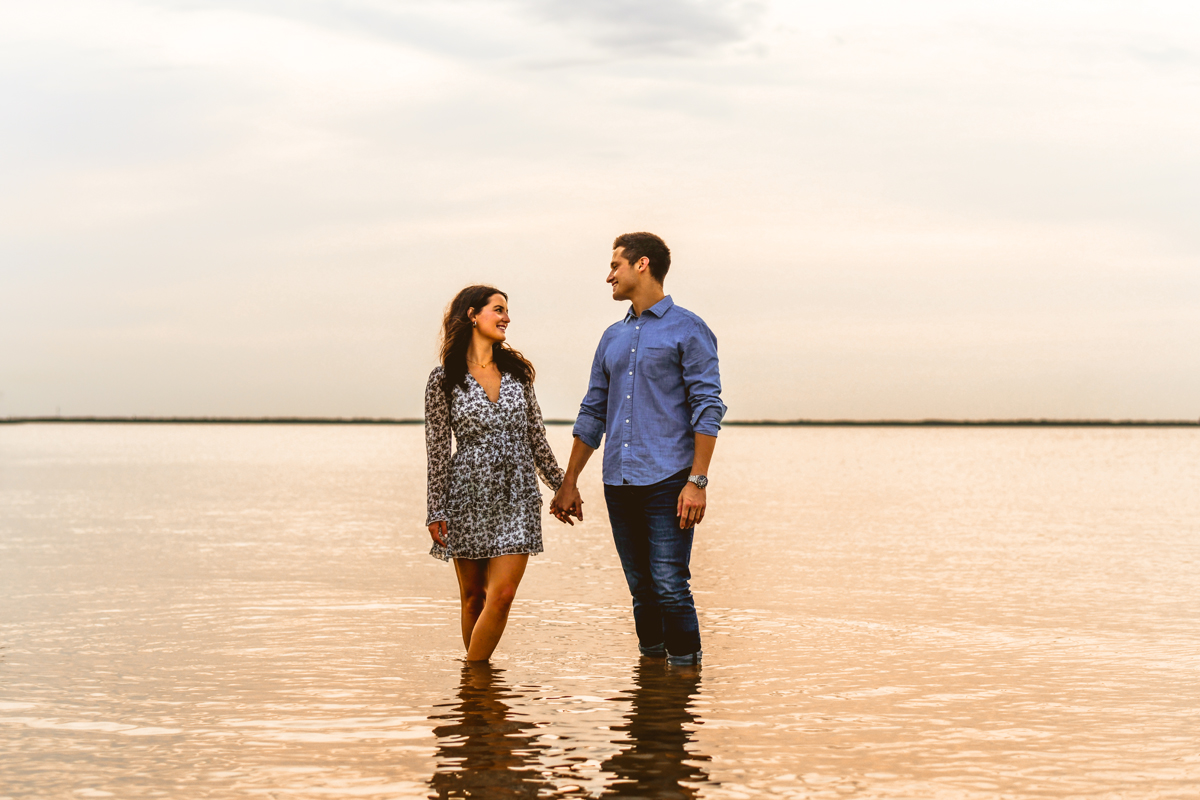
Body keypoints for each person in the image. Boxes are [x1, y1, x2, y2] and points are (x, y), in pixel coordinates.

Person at [551, 232, 725, 667]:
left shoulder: (688, 327)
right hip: (619, 479)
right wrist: (569, 481)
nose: (608, 274)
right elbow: (593, 410)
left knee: (669, 584)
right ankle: (651, 688)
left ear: (642, 264)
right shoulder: (611, 336)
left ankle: (685, 681)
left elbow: (708, 406)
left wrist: (697, 482)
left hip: (669, 480)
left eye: (615, 265)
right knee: (641, 589)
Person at [425, 284, 569, 662]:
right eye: (498, 309)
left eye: (506, 311)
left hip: (518, 494)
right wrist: (435, 509)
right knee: (474, 597)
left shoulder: (519, 375)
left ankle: (472, 679)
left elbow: (536, 438)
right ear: (472, 315)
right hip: (467, 496)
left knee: (502, 595)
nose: (507, 317)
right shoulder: (443, 380)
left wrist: (562, 486)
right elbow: (438, 451)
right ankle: (476, 700)